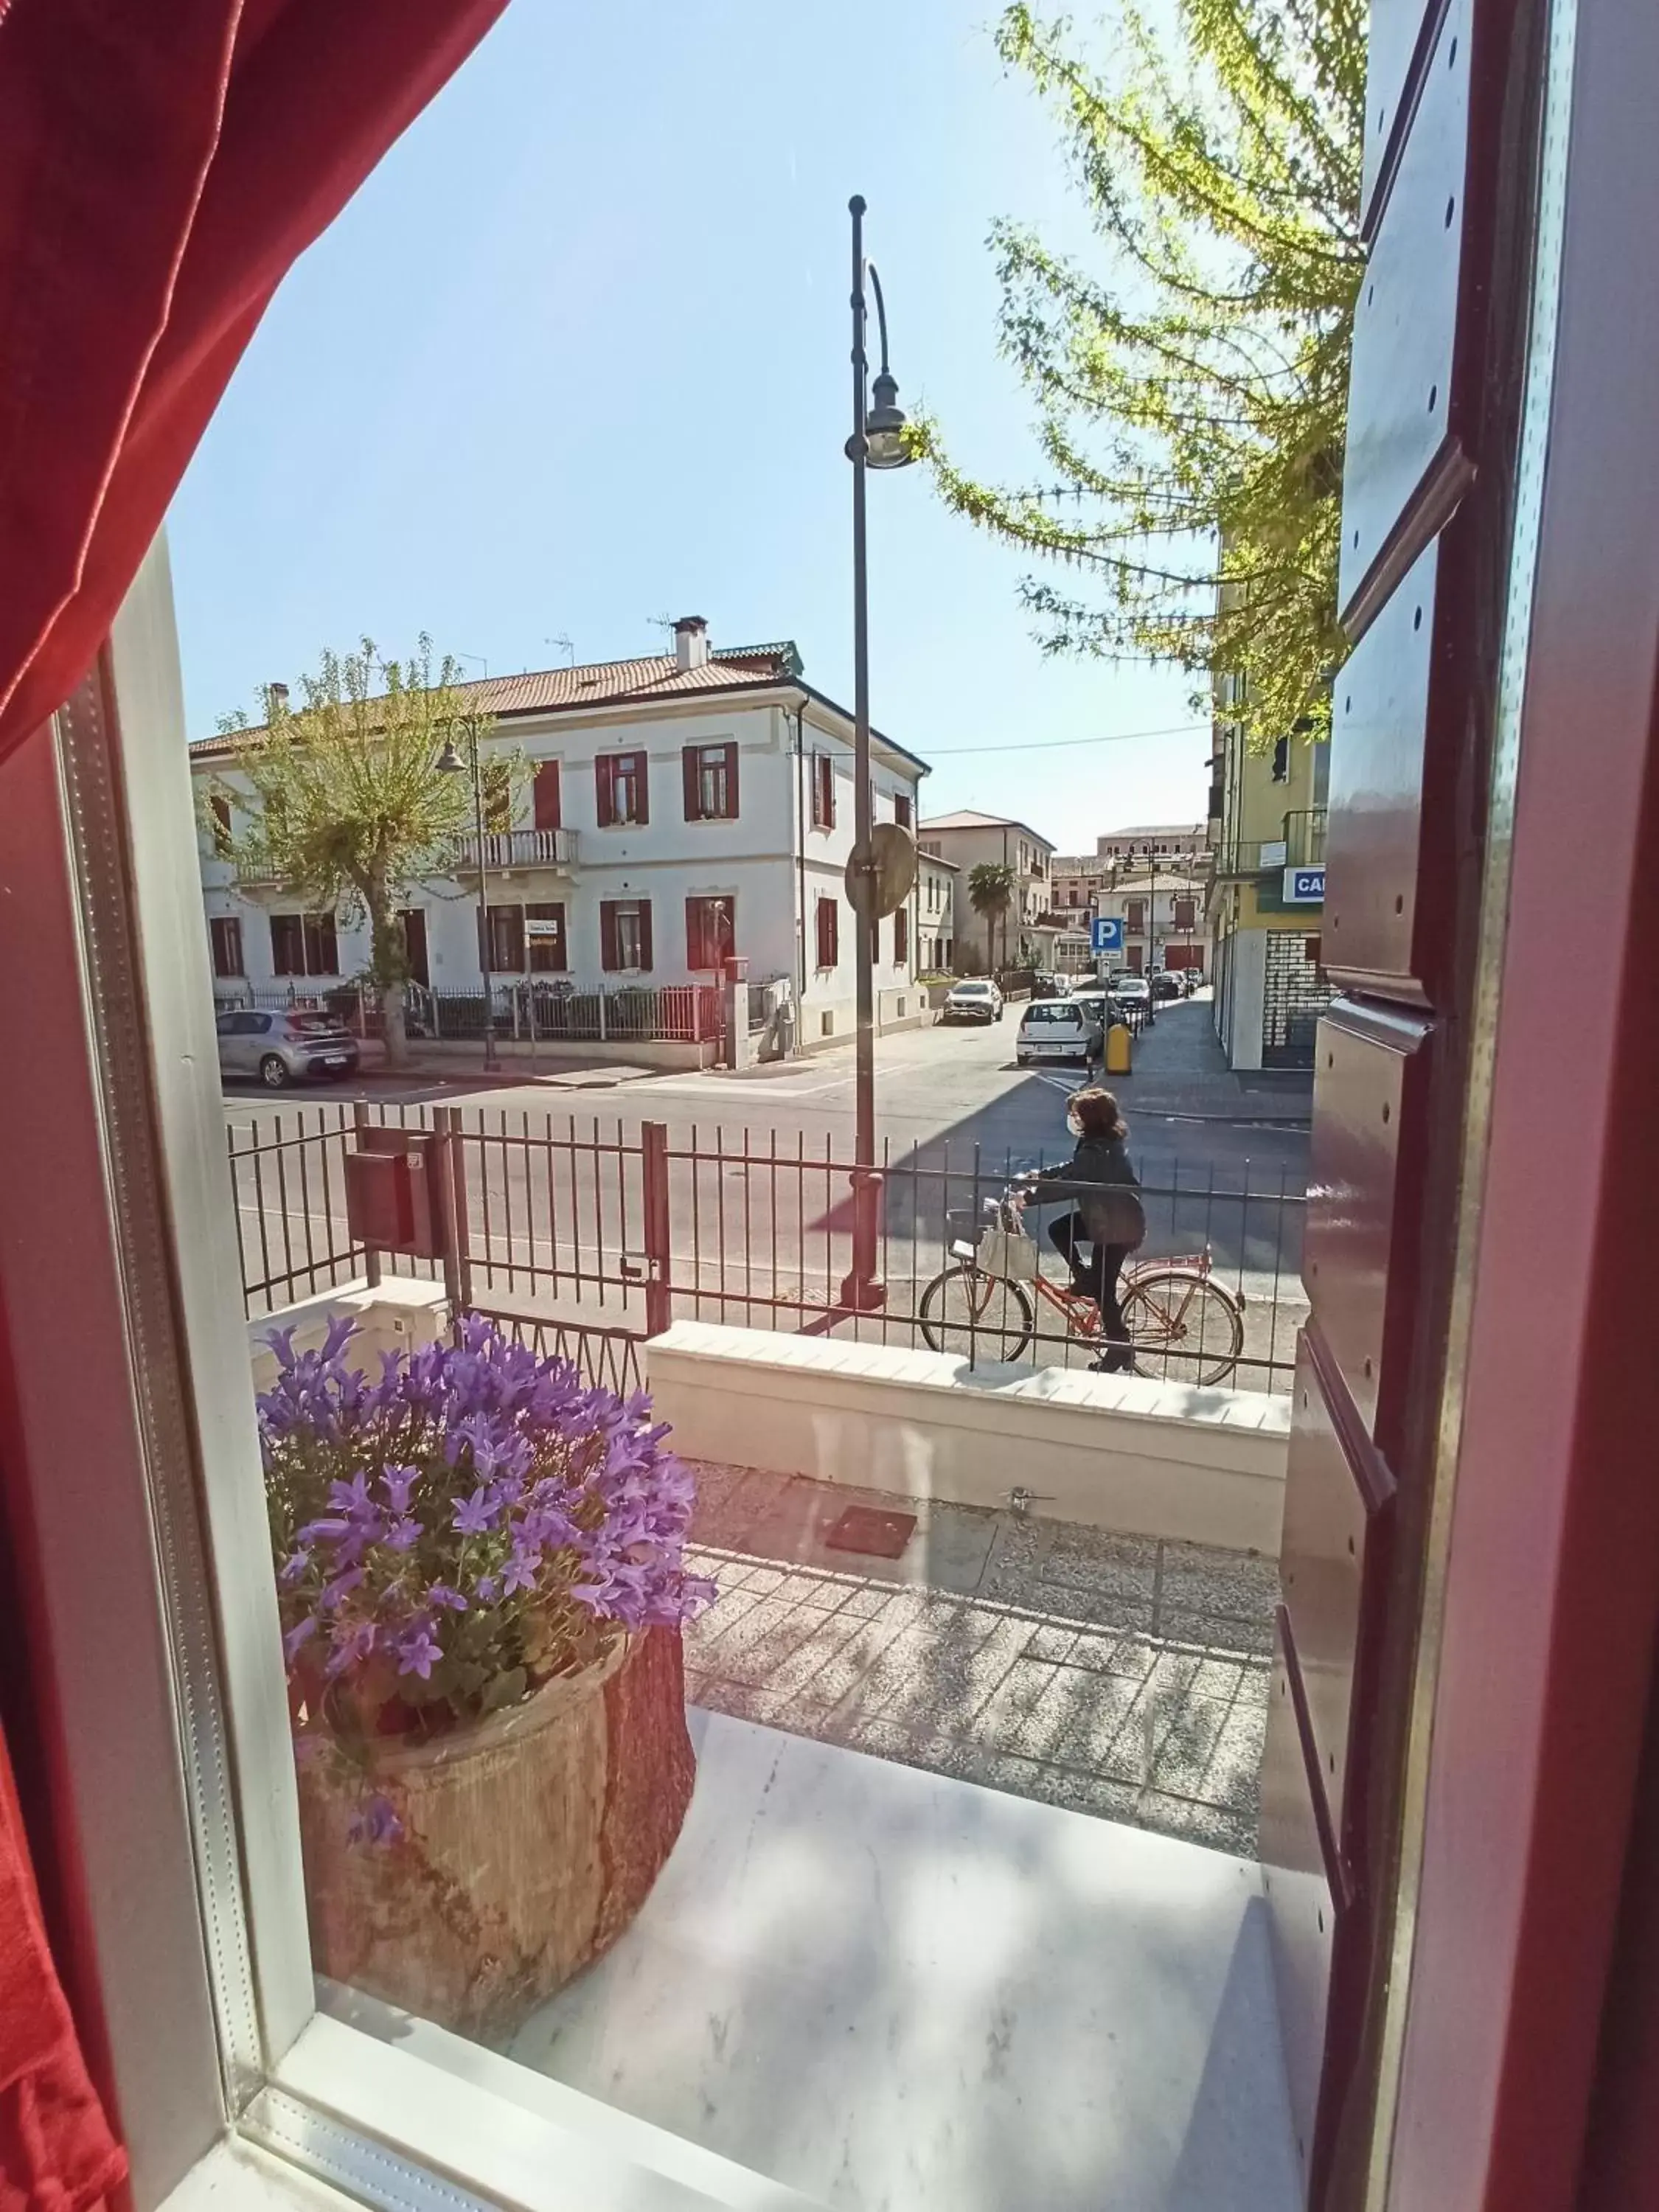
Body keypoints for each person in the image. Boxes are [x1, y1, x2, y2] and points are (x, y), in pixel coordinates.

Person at [1020, 1087, 1145, 1371]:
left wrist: (1029, 1197)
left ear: (1091, 1118)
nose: (1073, 1119)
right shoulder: (1098, 1142)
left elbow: (1073, 1183)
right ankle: (1084, 1278)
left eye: (1076, 1114)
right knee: (1060, 1230)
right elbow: (1074, 1169)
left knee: (1105, 1293)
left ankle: (1119, 1350)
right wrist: (1041, 1175)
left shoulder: (1097, 1148)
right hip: (1107, 1218)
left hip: (1117, 1229)